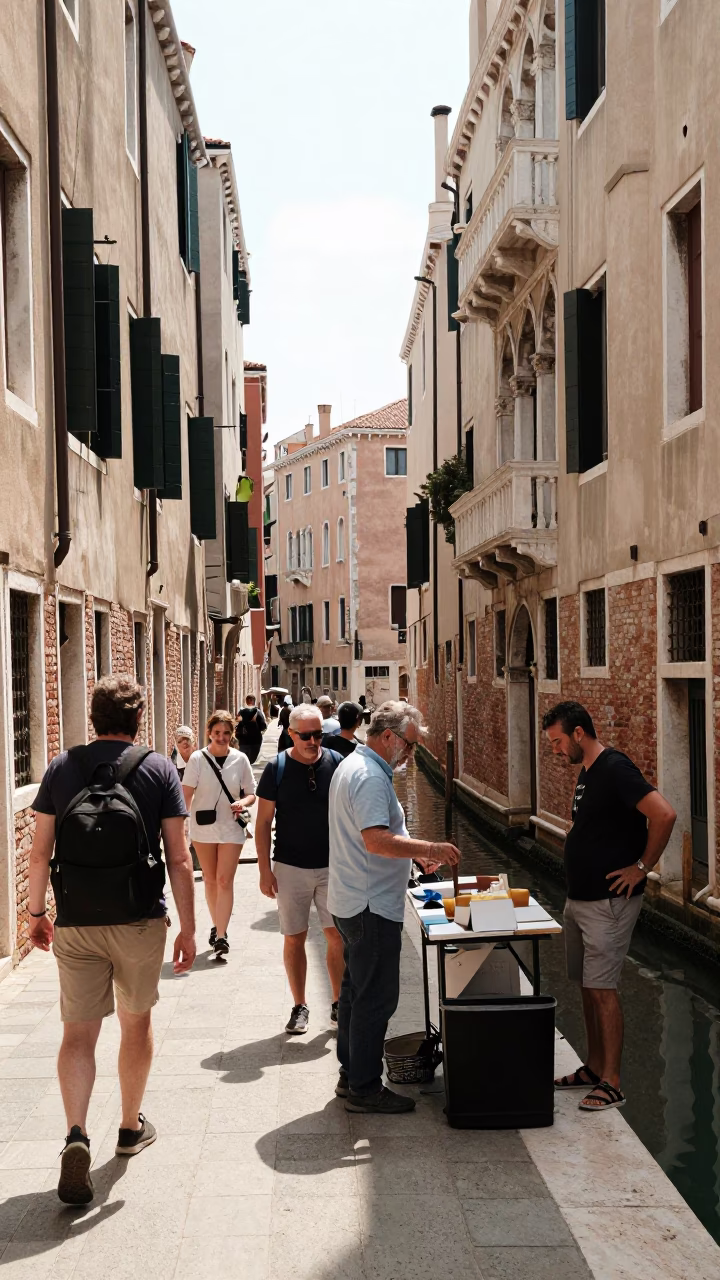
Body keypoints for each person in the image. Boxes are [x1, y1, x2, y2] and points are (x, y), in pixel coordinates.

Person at [28, 676, 196, 1206]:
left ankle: (76, 1131)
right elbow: (179, 857)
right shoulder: (159, 768)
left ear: (94, 717)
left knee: (78, 1035)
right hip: (139, 919)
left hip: (76, 920)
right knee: (135, 1021)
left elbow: (38, 853)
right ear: (139, 718)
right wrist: (190, 927)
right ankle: (127, 1127)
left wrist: (36, 912)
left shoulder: (61, 767)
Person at [543, 701, 676, 1113]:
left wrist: (642, 868)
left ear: (579, 733)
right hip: (579, 899)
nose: (556, 750)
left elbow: (664, 814)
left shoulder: (616, 768)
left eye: (558, 741)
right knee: (586, 986)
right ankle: (594, 1067)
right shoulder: (586, 773)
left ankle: (612, 1083)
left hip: (608, 904)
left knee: (602, 988)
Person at [328, 701, 461, 1114]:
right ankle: (365, 1088)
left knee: (354, 992)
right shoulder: (369, 776)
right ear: (388, 736)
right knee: (376, 998)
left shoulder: (353, 766)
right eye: (409, 744)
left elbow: (377, 834)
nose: (410, 753)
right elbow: (375, 839)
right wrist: (429, 847)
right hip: (370, 905)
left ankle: (351, 1074)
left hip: (351, 898)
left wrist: (414, 857)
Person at [255, 705, 346, 1034]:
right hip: (290, 867)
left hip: (332, 867)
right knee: (295, 938)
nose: (312, 741)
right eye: (305, 735)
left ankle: (338, 1003)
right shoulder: (276, 769)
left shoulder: (337, 765)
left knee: (336, 936)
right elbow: (263, 823)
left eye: (318, 734)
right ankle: (299, 1006)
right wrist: (265, 871)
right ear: (291, 734)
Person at [182, 710, 257, 957]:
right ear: (209, 733)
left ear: (231, 734)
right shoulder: (197, 759)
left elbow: (251, 793)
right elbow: (186, 794)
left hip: (231, 826)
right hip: (202, 828)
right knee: (211, 880)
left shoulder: (240, 759)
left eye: (226, 733)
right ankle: (217, 926)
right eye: (217, 733)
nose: (222, 737)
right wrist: (181, 827)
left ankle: (222, 935)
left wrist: (242, 803)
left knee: (225, 880)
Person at [235, 694, 267, 765]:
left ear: (246, 702)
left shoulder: (241, 712)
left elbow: (237, 724)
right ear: (254, 702)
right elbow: (263, 727)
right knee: (251, 761)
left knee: (243, 762)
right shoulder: (257, 712)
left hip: (243, 741)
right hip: (255, 741)